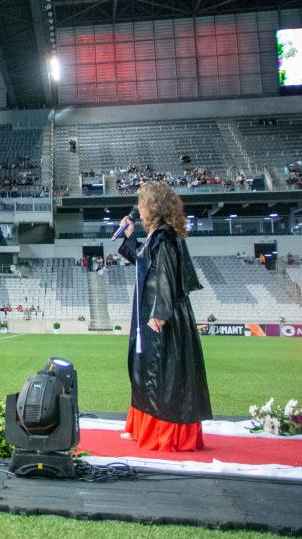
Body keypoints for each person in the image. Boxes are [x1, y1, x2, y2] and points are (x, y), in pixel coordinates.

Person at [115, 181, 211, 452]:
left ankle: (165, 433)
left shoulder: (166, 236)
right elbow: (143, 265)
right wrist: (130, 236)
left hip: (161, 317)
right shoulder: (159, 235)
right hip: (151, 313)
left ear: (153, 206)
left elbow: (166, 275)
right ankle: (143, 426)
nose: (139, 210)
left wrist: (160, 311)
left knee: (162, 375)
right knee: (145, 370)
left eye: (142, 204)